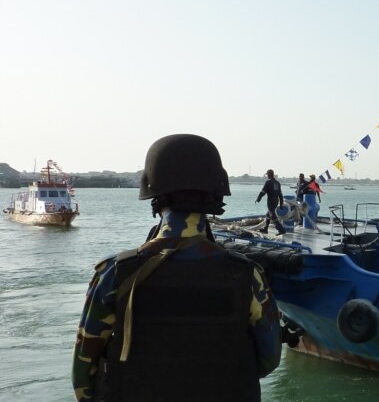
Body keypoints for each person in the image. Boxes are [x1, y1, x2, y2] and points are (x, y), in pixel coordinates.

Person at [72, 134, 281, 402]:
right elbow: (269, 359)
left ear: (153, 192)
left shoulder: (115, 273)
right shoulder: (245, 275)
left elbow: (82, 374)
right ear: (217, 191)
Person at [255, 169, 287, 235]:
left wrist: (258, 199)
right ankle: (265, 229)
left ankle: (281, 230)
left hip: (270, 201)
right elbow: (280, 194)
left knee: (272, 215)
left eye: (267, 175)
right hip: (276, 201)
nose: (267, 176)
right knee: (268, 215)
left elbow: (263, 192)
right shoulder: (277, 183)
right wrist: (281, 204)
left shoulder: (268, 182)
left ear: (269, 174)